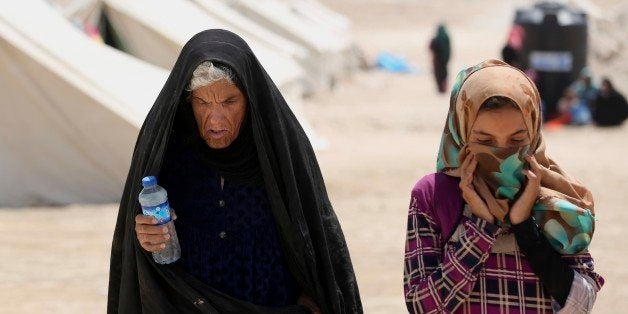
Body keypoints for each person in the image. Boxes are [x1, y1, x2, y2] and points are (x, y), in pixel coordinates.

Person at [108, 29, 362, 314]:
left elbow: (315, 235)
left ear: (250, 99)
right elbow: (138, 255)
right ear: (187, 101)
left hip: (270, 302)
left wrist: (309, 295)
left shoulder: (277, 149)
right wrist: (146, 237)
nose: (215, 119)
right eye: (202, 103)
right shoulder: (165, 151)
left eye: (229, 102)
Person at [403, 60, 603, 313]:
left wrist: (524, 228)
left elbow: (582, 302)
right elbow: (423, 307)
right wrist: (481, 230)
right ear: (462, 132)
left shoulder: (551, 196)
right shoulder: (434, 195)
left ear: (533, 133)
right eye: (484, 140)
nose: (502, 155)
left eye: (517, 140)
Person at [429, 24, 451, 94]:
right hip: (444, 60)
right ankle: (443, 89)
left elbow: (431, 47)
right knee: (444, 74)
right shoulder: (446, 38)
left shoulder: (436, 39)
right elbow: (448, 50)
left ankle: (440, 89)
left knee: (439, 74)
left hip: (437, 61)